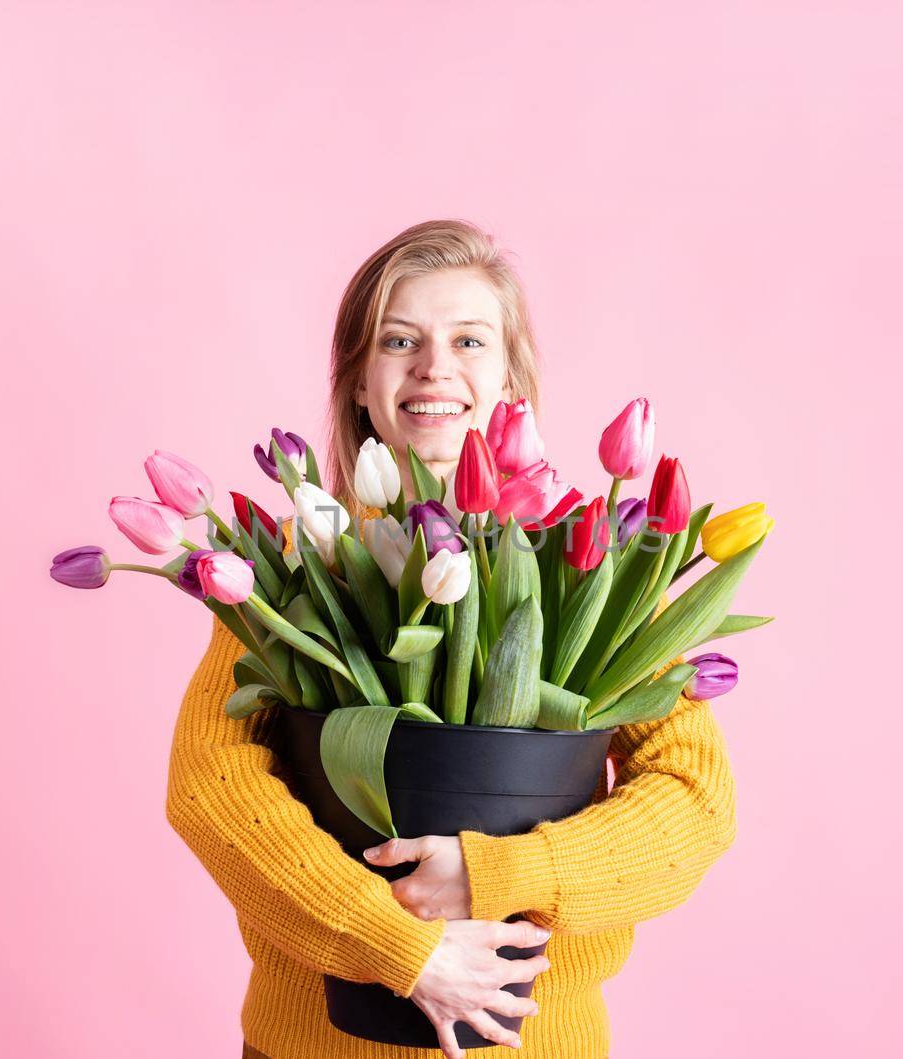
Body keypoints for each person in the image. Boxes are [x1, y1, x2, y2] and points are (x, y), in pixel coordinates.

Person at [166, 219, 738, 1059]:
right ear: (360, 383)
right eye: (400, 340)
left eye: (469, 340)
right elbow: (213, 789)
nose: (435, 367)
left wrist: (495, 872)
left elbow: (695, 802)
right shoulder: (291, 566)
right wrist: (403, 948)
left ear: (510, 378)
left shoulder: (593, 566)